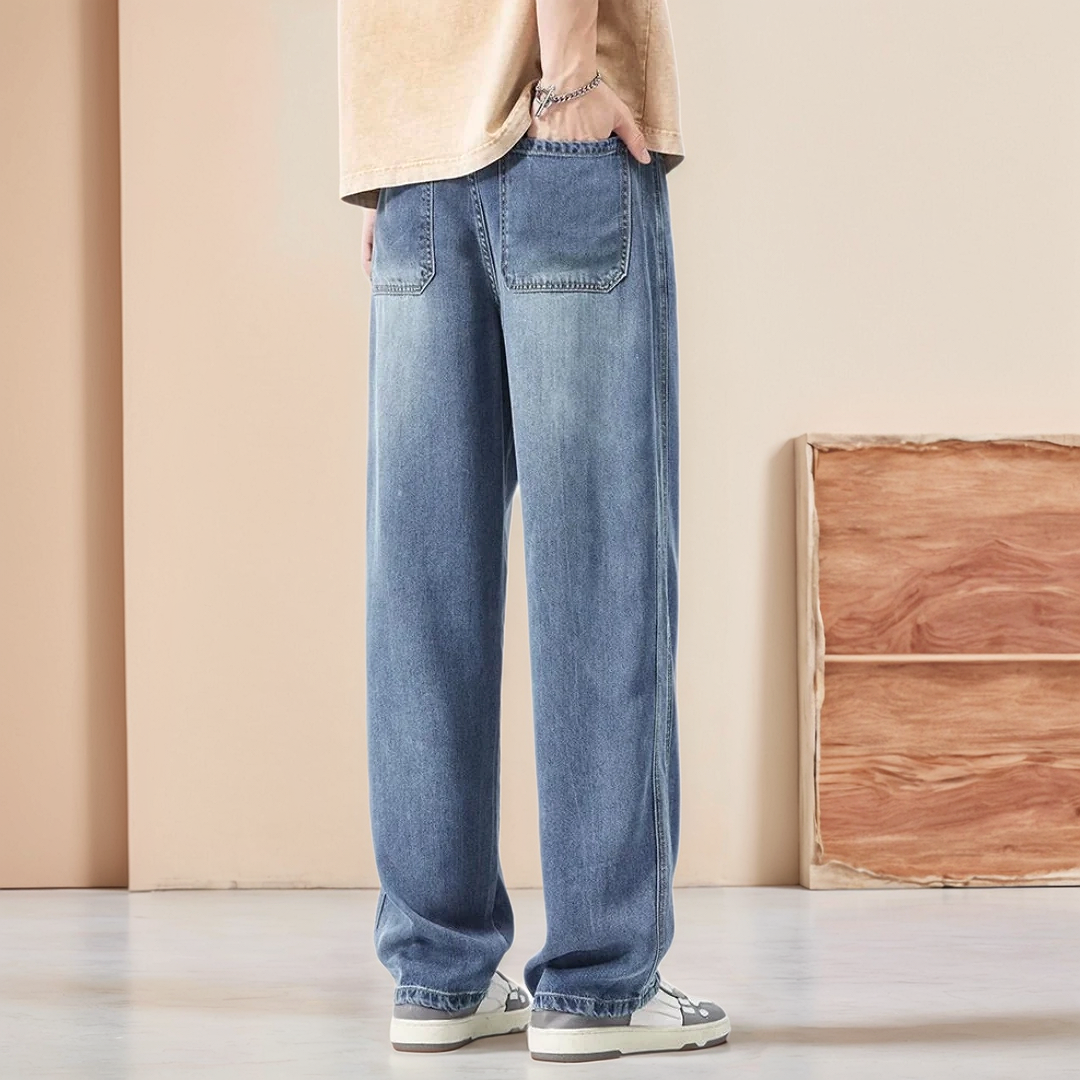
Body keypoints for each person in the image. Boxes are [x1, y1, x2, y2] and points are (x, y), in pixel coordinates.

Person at [337, 0, 730, 1062]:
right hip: (551, 134)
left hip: (412, 166)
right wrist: (569, 76)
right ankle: (601, 989)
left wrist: (391, 162)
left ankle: (438, 974)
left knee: (423, 591)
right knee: (601, 573)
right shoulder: (564, 96)